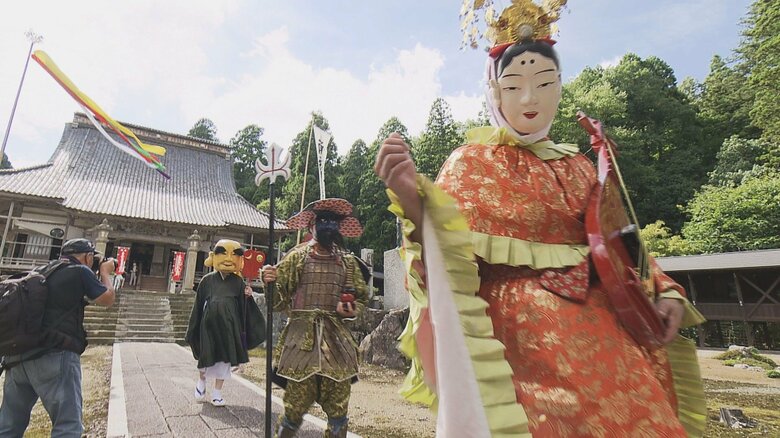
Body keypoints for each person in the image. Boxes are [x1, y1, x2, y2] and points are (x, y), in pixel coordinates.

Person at [374, 2, 706, 437]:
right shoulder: (470, 163)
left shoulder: (580, 166)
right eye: (514, 86)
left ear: (560, 87)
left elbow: (619, 241)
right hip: (517, 338)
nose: (530, 98)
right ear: (494, 91)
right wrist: (410, 198)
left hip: (605, 331)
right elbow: (442, 256)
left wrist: (663, 289)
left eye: (545, 83)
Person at [262, 198, 368, 438]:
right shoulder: (297, 257)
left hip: (337, 345)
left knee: (338, 411)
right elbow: (278, 302)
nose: (328, 226)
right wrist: (269, 282)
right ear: (313, 224)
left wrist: (352, 308)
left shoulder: (348, 263)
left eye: (333, 221)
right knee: (294, 408)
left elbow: (362, 297)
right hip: (301, 342)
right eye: (323, 220)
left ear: (340, 227)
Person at [0, 238, 115, 437]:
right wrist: (105, 272)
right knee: (67, 425)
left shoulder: (41, 270)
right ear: (88, 257)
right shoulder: (80, 271)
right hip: (55, 354)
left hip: (18, 355)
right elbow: (108, 298)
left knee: (9, 426)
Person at [185, 239, 256, 407]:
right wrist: (193, 327)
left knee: (224, 360)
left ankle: (217, 393)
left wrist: (248, 296)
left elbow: (242, 307)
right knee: (206, 356)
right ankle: (201, 382)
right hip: (208, 326)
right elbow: (198, 305)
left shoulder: (238, 282)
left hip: (228, 327)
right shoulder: (207, 280)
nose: (228, 259)